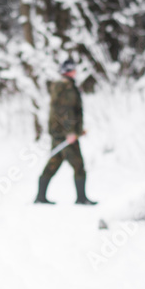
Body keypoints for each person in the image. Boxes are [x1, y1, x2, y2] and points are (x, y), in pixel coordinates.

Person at [35, 59, 96, 205]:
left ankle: (40, 197)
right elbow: (66, 111)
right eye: (74, 69)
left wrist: (78, 130)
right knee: (78, 165)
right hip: (65, 135)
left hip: (59, 133)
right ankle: (81, 199)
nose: (76, 72)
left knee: (54, 162)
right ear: (70, 71)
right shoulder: (66, 87)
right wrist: (70, 132)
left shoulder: (61, 86)